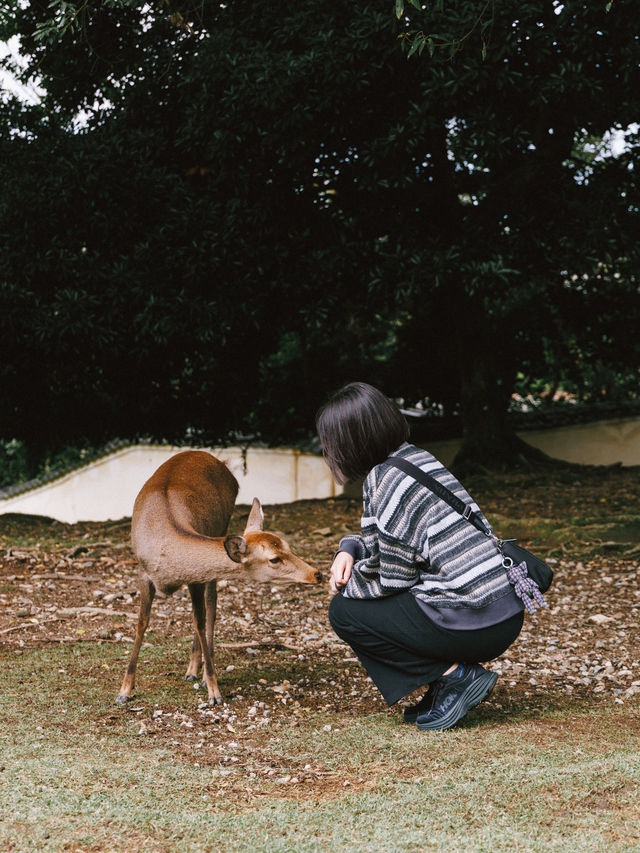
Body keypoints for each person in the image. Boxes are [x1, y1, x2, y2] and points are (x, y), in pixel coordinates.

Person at [316, 382, 530, 731]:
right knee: (392, 604)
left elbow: (394, 578)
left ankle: (456, 677)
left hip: (475, 617)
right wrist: (349, 548)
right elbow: (392, 541)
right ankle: (444, 686)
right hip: (502, 609)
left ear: (350, 441)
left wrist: (348, 586)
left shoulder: (385, 479)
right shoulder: (414, 458)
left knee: (345, 613)